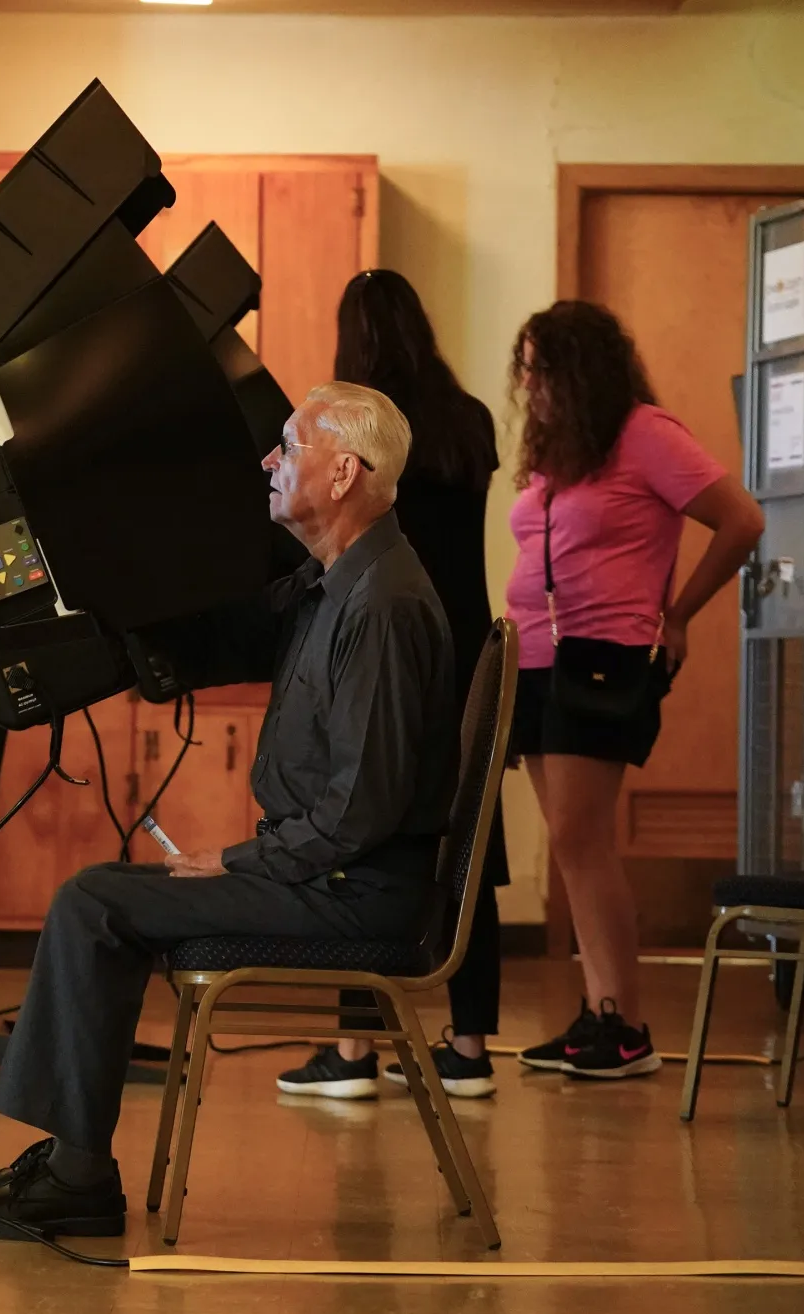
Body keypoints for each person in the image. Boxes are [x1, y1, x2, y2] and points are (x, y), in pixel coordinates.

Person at [0, 382, 456, 1235]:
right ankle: (73, 1155)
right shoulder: (333, 580)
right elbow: (222, 634)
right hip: (329, 868)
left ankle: (79, 1174)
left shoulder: (383, 606)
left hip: (354, 887)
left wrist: (237, 860)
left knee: (95, 901)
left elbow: (361, 811)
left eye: (289, 446)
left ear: (342, 474)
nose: (270, 461)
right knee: (106, 898)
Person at [503, 301, 762, 1080]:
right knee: (570, 843)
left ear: (578, 370)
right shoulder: (565, 452)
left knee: (583, 839)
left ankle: (625, 1024)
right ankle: (599, 1012)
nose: (529, 385)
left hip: (602, 657)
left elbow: (741, 520)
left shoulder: (646, 433)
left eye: (541, 368)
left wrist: (676, 613)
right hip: (541, 658)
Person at [277, 269, 508, 1102]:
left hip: (386, 643)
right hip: (468, 654)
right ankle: (471, 1045)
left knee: (360, 835)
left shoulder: (364, 437)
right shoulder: (470, 420)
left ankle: (352, 1051)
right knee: (471, 852)